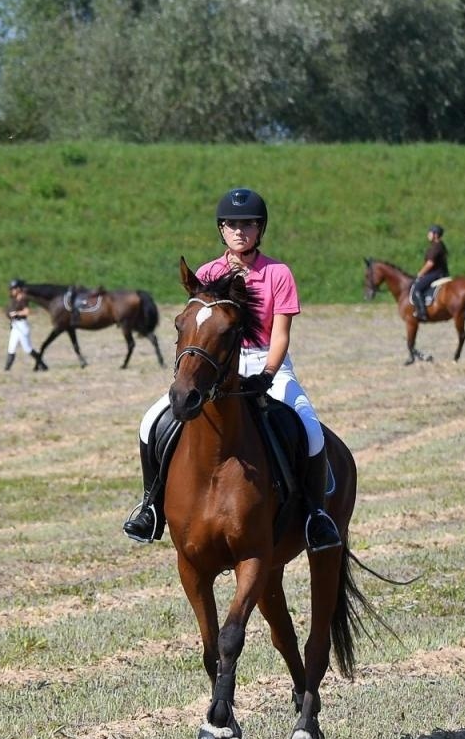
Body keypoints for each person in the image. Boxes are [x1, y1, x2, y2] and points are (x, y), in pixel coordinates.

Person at [122, 187, 340, 553]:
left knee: (311, 429)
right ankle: (151, 506)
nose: (240, 231)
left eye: (248, 224)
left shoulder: (278, 273)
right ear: (221, 229)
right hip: (216, 366)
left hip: (265, 362)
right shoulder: (208, 272)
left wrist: (268, 375)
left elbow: (281, 334)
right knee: (150, 422)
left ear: (260, 228)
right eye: (232, 224)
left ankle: (316, 515)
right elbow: (198, 328)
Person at [412, 224, 448, 321]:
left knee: (417, 289)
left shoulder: (436, 247)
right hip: (439, 272)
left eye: (430, 233)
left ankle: (422, 313)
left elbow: (430, 263)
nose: (428, 235)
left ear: (435, 235)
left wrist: (420, 273)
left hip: (436, 274)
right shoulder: (439, 245)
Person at [4, 278, 38, 371]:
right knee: (11, 347)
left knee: (27, 349)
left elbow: (27, 312)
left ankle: (42, 364)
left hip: (22, 325)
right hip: (15, 325)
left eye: (14, 289)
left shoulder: (24, 298)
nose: (12, 291)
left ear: (18, 289)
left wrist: (16, 313)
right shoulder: (13, 299)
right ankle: (6, 369)